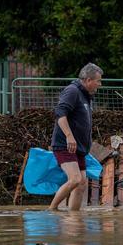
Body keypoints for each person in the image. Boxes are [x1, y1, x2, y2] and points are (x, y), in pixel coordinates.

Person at [48, 62, 103, 211]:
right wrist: (69, 136)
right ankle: (51, 210)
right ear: (88, 80)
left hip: (78, 148)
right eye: (98, 81)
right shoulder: (72, 91)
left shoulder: (86, 96)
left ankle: (74, 218)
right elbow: (60, 114)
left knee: (82, 184)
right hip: (65, 145)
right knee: (75, 179)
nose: (100, 84)